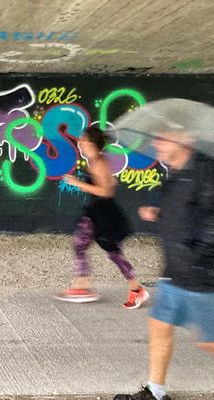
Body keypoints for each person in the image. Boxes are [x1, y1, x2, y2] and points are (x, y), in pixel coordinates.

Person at [114, 131, 214, 400]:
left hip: (201, 274)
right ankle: (155, 392)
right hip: (175, 270)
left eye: (162, 139)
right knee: (159, 325)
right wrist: (158, 213)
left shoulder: (205, 173)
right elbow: (183, 214)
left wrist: (197, 256)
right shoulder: (177, 172)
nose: (156, 144)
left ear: (184, 141)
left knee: (211, 342)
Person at [55, 126, 149, 309]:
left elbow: (106, 191)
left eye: (83, 140)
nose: (80, 143)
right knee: (85, 245)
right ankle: (83, 285)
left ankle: (133, 290)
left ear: (92, 144)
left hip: (103, 214)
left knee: (105, 251)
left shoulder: (99, 162)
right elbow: (110, 183)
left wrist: (79, 184)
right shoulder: (95, 160)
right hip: (97, 213)